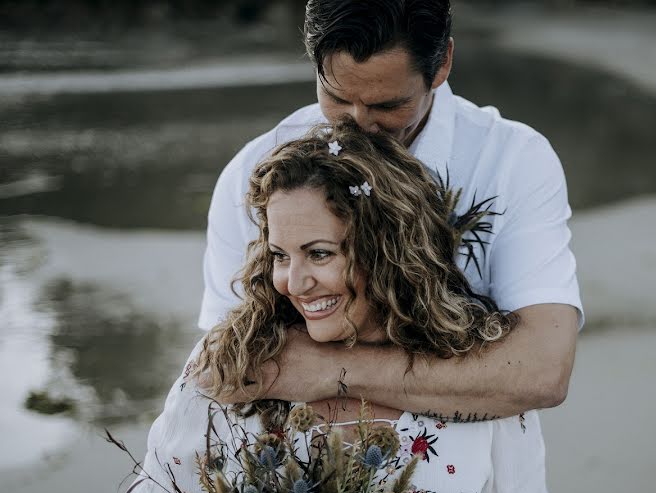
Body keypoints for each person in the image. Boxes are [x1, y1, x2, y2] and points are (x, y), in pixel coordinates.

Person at [117, 120, 554, 493]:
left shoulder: (479, 375)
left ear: (387, 251)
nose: (294, 282)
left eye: (319, 254)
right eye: (280, 255)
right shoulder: (233, 362)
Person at [200, 0, 582, 418]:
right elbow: (229, 366)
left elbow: (541, 370)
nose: (358, 124)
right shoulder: (255, 173)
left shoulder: (510, 161)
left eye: (387, 105)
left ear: (442, 65)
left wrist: (333, 369)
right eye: (337, 96)